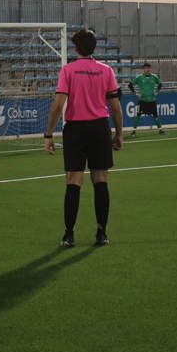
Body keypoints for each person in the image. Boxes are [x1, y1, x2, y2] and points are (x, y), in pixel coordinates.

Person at [44, 29, 123, 247]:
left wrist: (48, 134)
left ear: (75, 47)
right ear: (94, 47)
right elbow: (115, 107)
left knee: (73, 181)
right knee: (101, 179)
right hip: (99, 128)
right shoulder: (106, 71)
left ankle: (69, 235)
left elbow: (58, 105)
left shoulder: (68, 70)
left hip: (76, 130)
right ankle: (102, 233)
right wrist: (119, 134)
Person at [128, 63, 164, 136]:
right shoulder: (139, 77)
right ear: (143, 69)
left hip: (152, 100)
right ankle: (134, 131)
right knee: (138, 115)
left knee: (156, 115)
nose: (147, 69)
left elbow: (160, 84)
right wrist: (137, 94)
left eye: (148, 68)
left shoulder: (154, 77)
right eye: (145, 68)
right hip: (142, 101)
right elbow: (130, 85)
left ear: (150, 69)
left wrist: (156, 92)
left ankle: (160, 130)